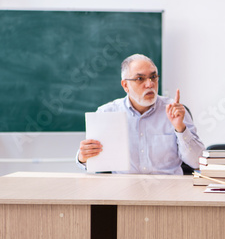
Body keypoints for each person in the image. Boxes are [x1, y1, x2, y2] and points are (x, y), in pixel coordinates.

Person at [77, 53, 205, 175]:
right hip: (124, 191)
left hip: (168, 190)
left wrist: (180, 128)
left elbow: (197, 162)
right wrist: (83, 157)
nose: (150, 84)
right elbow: (89, 163)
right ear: (125, 85)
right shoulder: (107, 113)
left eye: (153, 77)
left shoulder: (175, 110)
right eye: (140, 79)